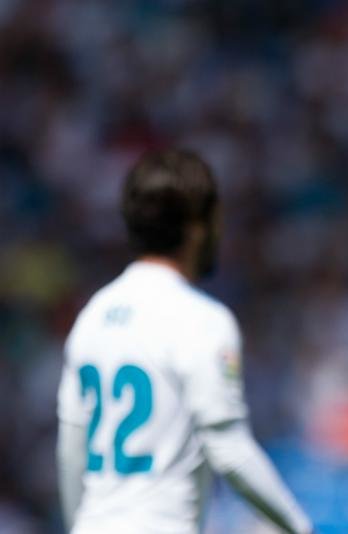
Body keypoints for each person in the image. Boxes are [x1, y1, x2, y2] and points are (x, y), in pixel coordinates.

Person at [56, 149, 313, 534]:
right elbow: (228, 450)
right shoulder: (202, 320)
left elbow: (71, 450)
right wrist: (300, 527)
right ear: (196, 228)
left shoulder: (92, 317)